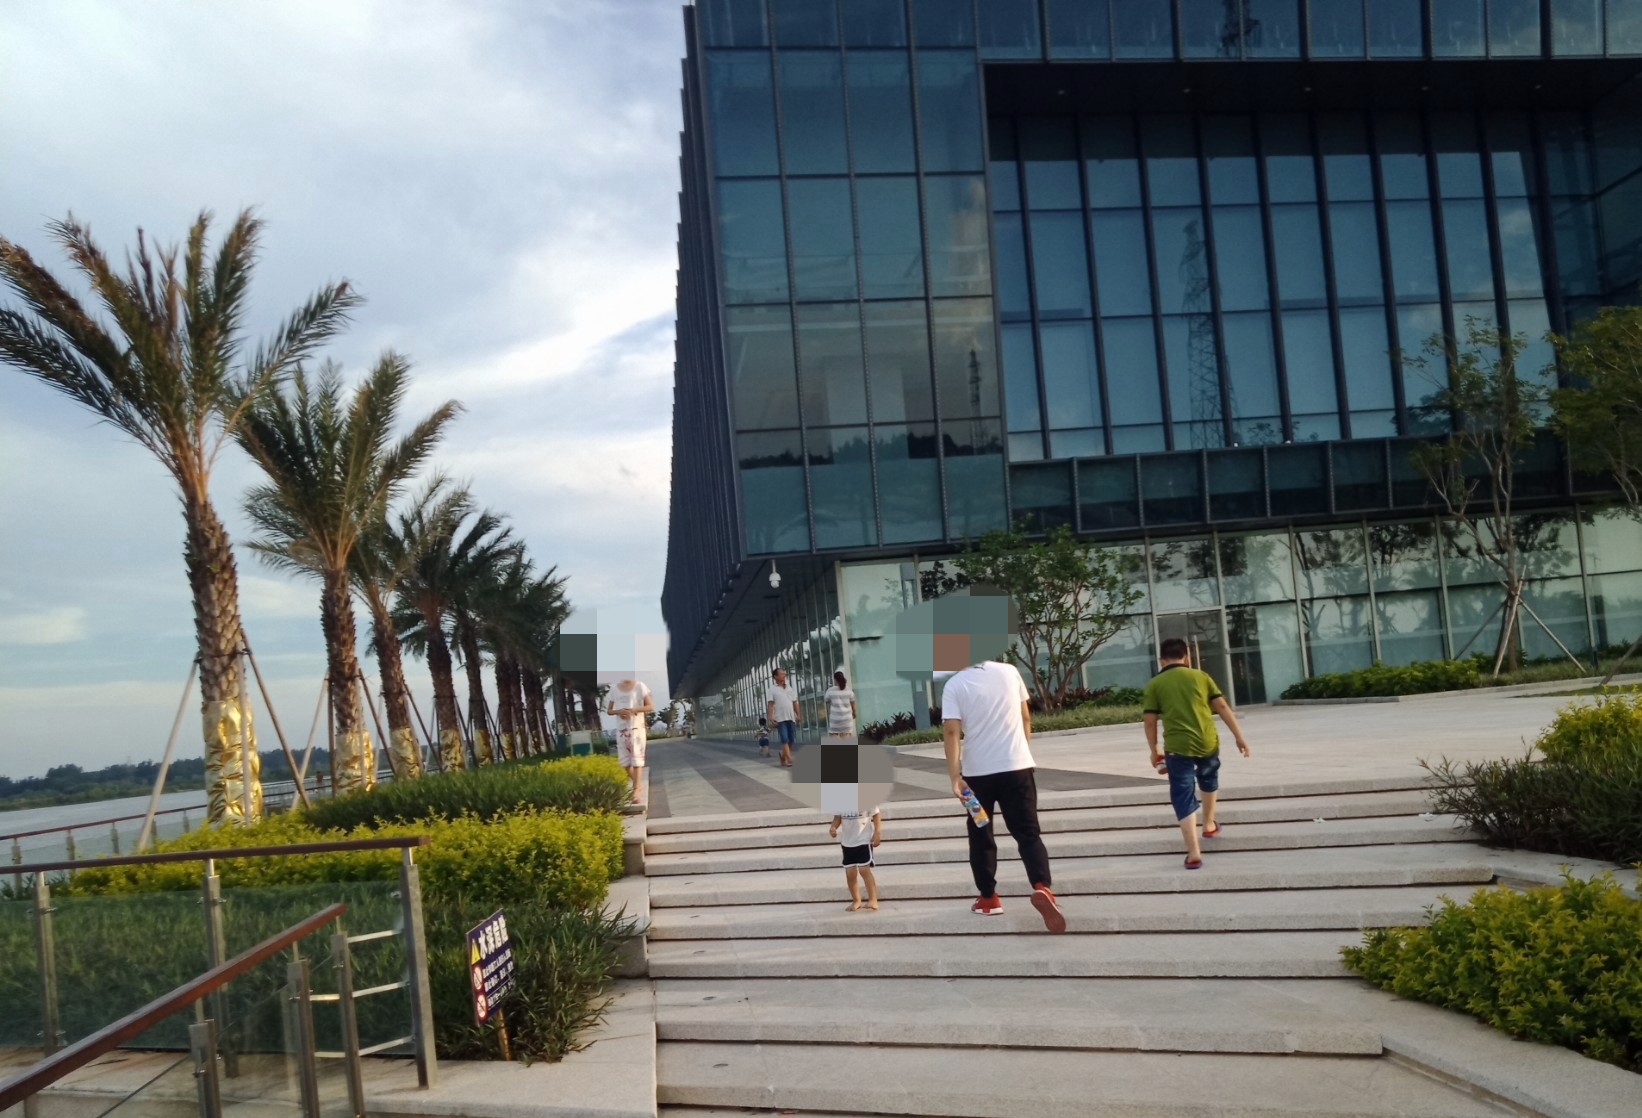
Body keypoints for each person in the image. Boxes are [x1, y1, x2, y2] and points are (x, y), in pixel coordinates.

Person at [941, 654, 1065, 933]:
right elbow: (1025, 717)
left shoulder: (955, 685)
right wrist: (1021, 753)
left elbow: (951, 732)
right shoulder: (1010, 672)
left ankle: (989, 898)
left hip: (976, 779)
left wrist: (955, 777)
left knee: (981, 833)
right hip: (1017, 771)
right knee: (1028, 833)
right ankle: (1042, 887)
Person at [1142, 637, 1253, 870]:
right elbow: (1222, 707)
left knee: (1183, 794)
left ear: (1161, 660)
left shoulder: (1155, 684)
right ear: (1187, 657)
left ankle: (1193, 853)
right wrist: (1239, 736)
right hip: (1207, 742)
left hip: (1177, 747)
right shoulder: (1201, 677)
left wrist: (1154, 750)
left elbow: (1150, 722)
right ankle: (1209, 824)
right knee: (1208, 779)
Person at [606, 678, 655, 805]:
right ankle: (638, 784)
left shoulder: (640, 686)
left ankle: (636, 790)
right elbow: (609, 710)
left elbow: (650, 706)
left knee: (637, 761)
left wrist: (633, 710)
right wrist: (619, 712)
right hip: (622, 730)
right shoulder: (614, 688)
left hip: (637, 729)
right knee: (625, 763)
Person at [829, 804, 882, 911]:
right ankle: (856, 900)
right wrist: (833, 827)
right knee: (850, 873)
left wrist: (877, 833)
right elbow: (837, 818)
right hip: (847, 843)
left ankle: (873, 899)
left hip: (864, 840)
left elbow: (876, 815)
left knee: (864, 870)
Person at [765, 667, 802, 768]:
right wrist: (771, 716)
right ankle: (789, 759)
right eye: (781, 674)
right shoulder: (772, 689)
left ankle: (783, 757)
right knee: (784, 739)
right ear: (775, 677)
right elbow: (770, 704)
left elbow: (795, 703)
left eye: (784, 673)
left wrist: (798, 714)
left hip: (791, 718)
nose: (784, 675)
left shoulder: (789, 688)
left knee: (791, 740)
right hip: (780, 719)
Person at [822, 671, 858, 738]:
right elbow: (853, 703)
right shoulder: (849, 690)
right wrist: (854, 713)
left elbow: (826, 702)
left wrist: (828, 713)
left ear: (835, 679)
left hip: (835, 719)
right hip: (847, 719)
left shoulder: (830, 691)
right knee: (847, 739)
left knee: (834, 739)